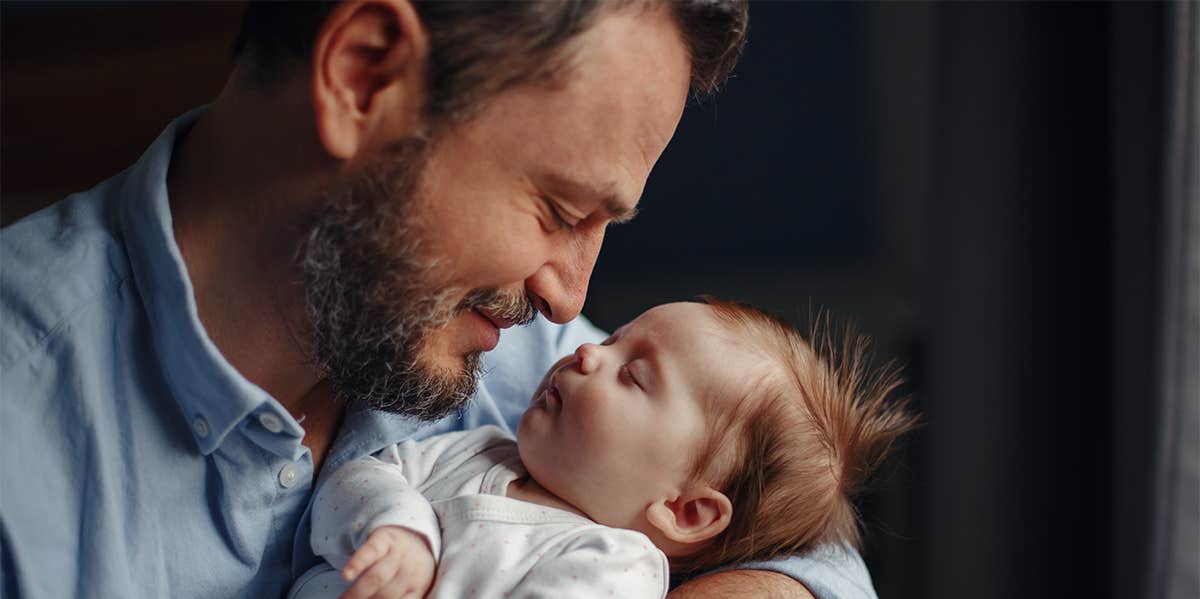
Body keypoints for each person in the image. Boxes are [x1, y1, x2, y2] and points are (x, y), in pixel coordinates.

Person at [0, 1, 874, 597]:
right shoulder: (22, 441)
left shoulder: (521, 362)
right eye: (560, 210)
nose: (569, 304)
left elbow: (804, 534)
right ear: (364, 75)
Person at [289, 299, 917, 599]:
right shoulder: (479, 449)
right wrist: (402, 530)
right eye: (616, 338)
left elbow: (822, 564)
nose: (586, 351)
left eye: (633, 374)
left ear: (687, 510)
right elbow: (358, 479)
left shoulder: (609, 570)